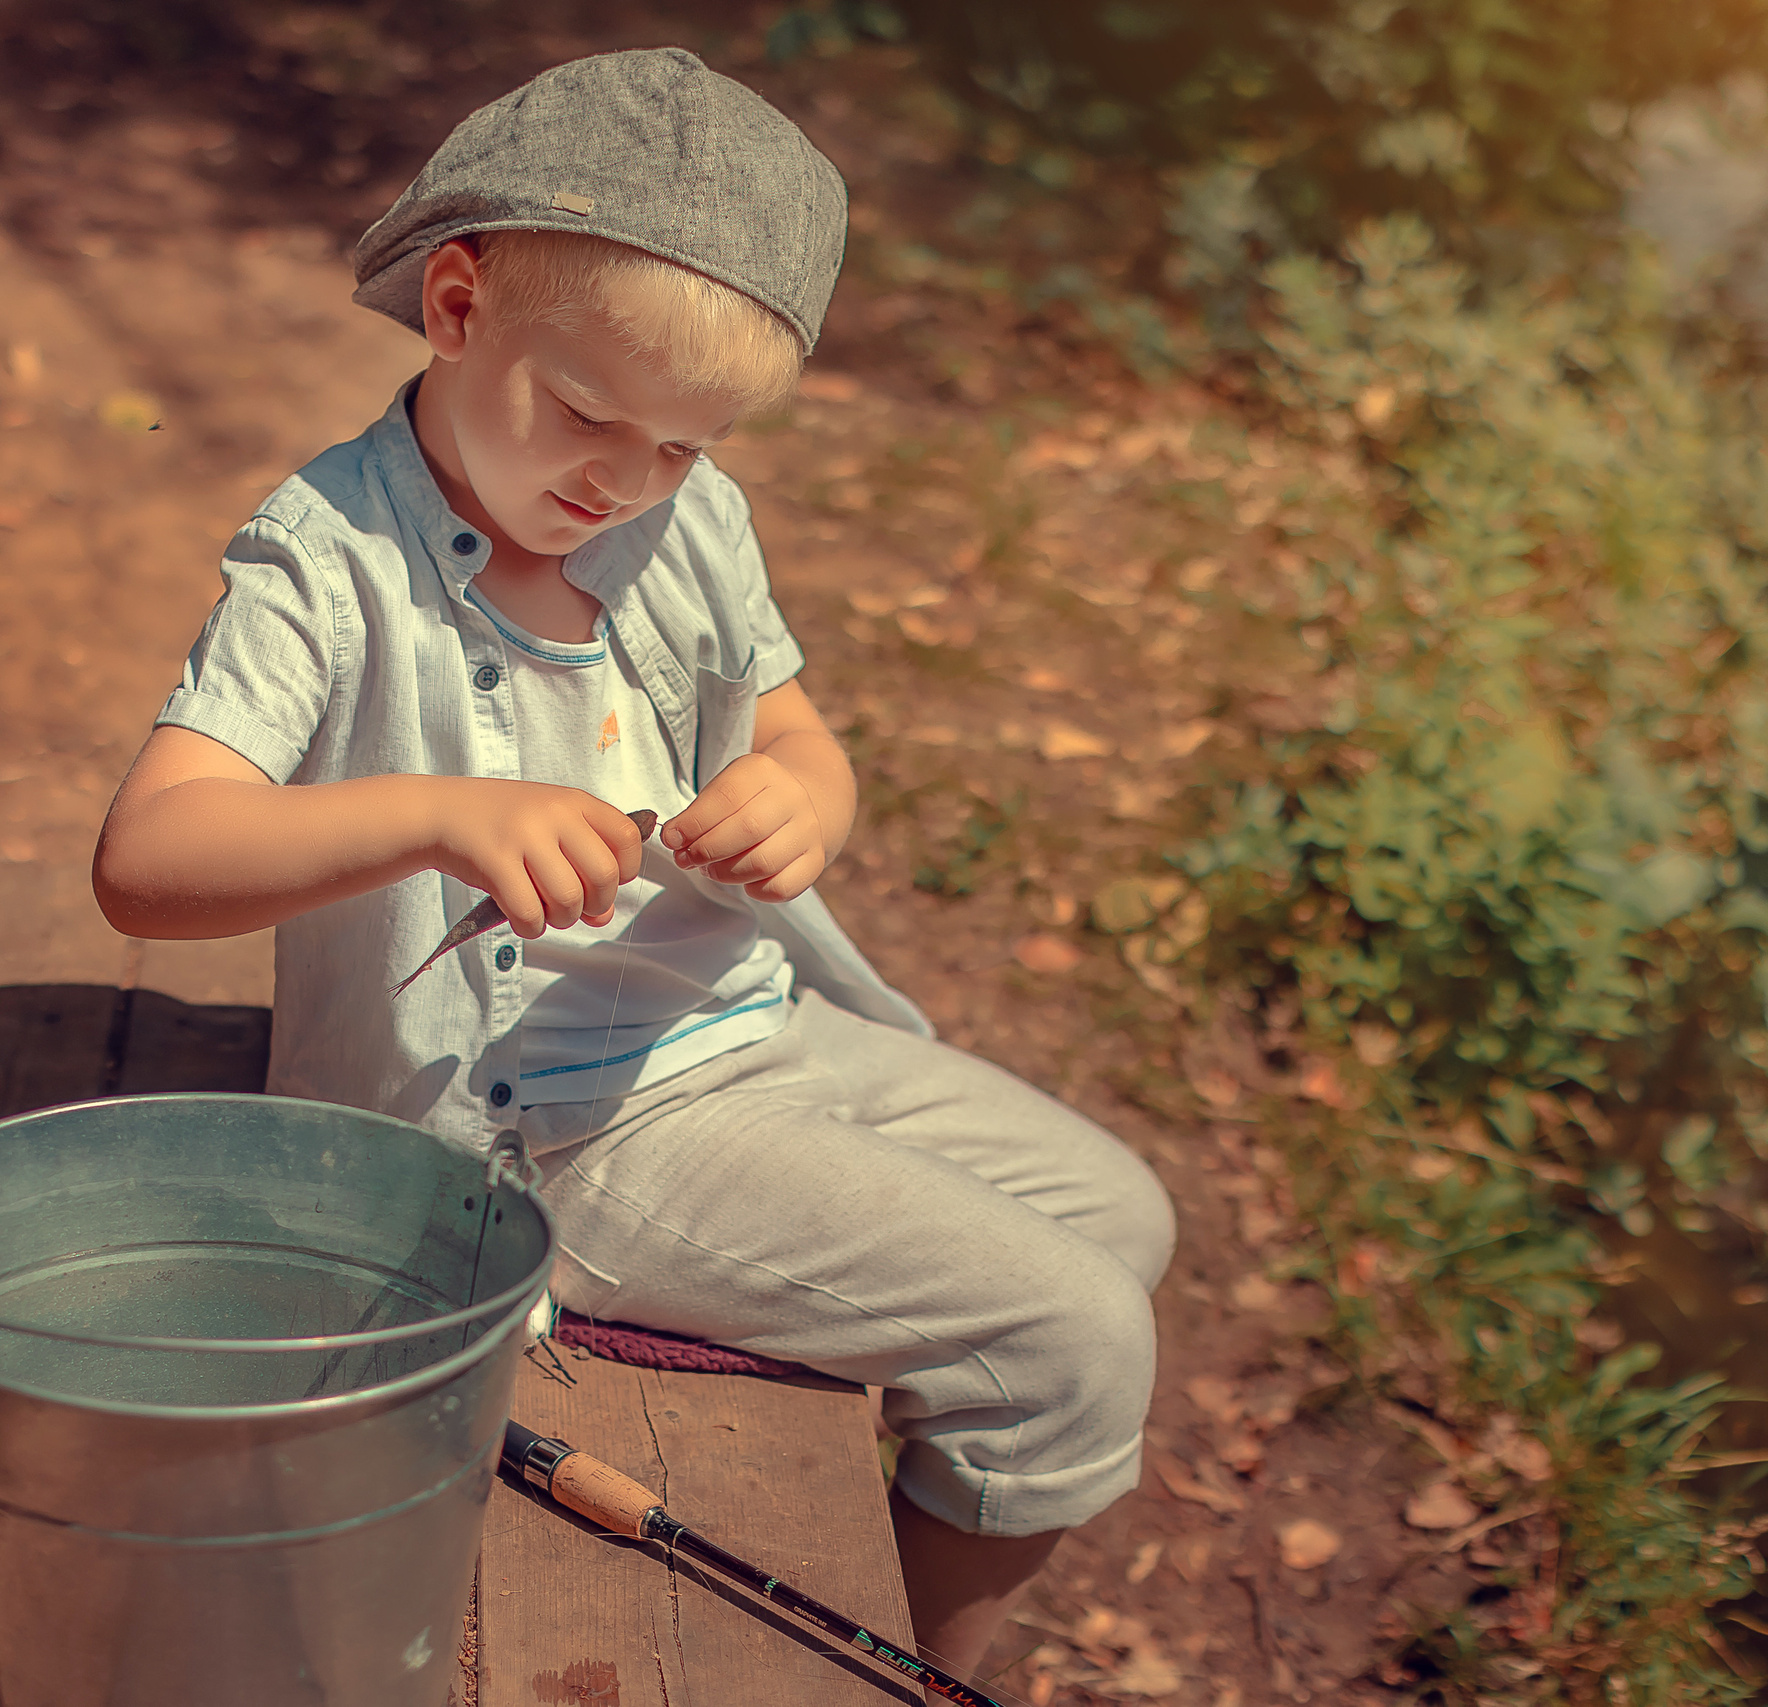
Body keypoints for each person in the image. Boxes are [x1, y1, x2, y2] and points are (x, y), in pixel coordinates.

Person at [91, 46, 1175, 1686]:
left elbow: (799, 731)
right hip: (534, 1124)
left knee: (1127, 1217)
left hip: (736, 1026)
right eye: (590, 413)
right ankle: (940, 1668)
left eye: (683, 444)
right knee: (1074, 1338)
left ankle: (883, 1514)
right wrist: (435, 812)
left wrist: (810, 796)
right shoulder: (327, 562)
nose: (623, 480)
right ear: (456, 307)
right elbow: (148, 864)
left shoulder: (687, 516)